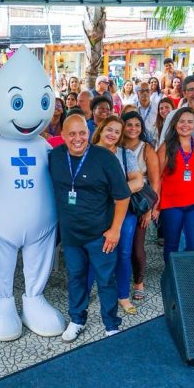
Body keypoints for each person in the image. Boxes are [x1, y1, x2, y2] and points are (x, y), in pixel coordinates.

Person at [49, 115, 131, 342]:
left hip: (100, 235)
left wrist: (115, 230)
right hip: (71, 235)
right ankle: (77, 319)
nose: (78, 139)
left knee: (105, 280)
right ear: (63, 136)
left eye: (82, 133)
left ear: (89, 132)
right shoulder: (55, 157)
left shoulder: (104, 158)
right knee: (76, 277)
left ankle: (111, 324)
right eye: (72, 134)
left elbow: (123, 196)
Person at [93, 116, 142, 315]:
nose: (112, 134)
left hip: (124, 212)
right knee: (96, 253)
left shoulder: (124, 154)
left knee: (123, 253)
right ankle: (94, 292)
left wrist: (116, 197)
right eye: (109, 129)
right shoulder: (88, 152)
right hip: (96, 213)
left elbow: (138, 182)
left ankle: (123, 296)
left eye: (117, 131)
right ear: (101, 129)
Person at [155, 107, 194, 263]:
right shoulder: (166, 147)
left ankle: (190, 275)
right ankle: (172, 275)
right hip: (171, 205)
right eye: (182, 121)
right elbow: (156, 178)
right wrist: (156, 206)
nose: (186, 125)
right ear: (175, 123)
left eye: (190, 121)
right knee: (172, 244)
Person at [120, 111, 160, 301]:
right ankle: (119, 282)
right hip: (118, 202)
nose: (133, 129)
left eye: (137, 125)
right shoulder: (116, 146)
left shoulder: (147, 149)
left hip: (139, 204)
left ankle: (138, 282)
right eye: (129, 124)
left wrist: (149, 209)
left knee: (137, 247)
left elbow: (155, 182)